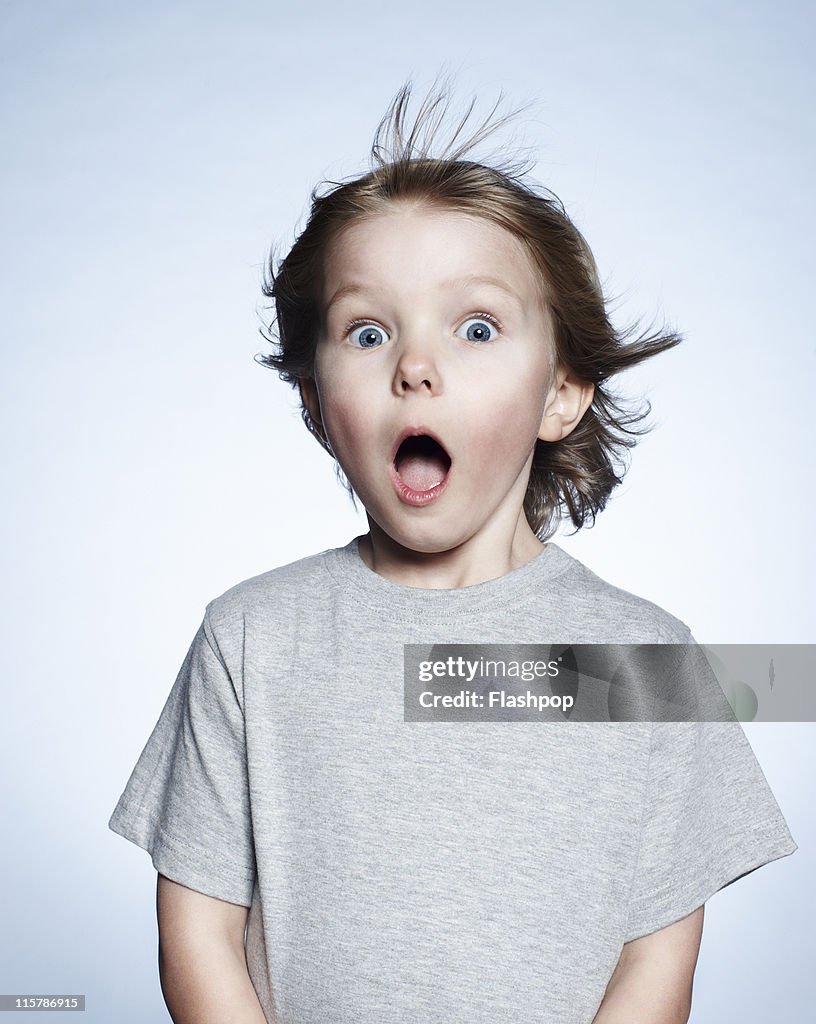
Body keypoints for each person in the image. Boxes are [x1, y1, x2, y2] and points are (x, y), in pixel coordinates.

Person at [108, 76, 797, 1024]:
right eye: (367, 330)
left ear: (562, 392)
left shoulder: (643, 663)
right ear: (316, 402)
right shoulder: (251, 642)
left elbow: (658, 962)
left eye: (476, 327)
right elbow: (195, 931)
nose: (415, 365)